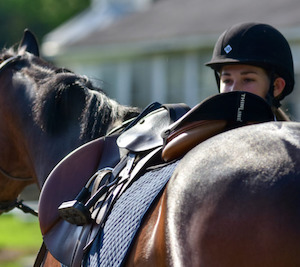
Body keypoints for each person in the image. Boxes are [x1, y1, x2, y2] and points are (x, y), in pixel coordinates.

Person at [206, 22, 295, 121]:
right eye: (227, 80)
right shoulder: (203, 134)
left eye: (248, 79)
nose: (233, 90)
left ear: (277, 86)